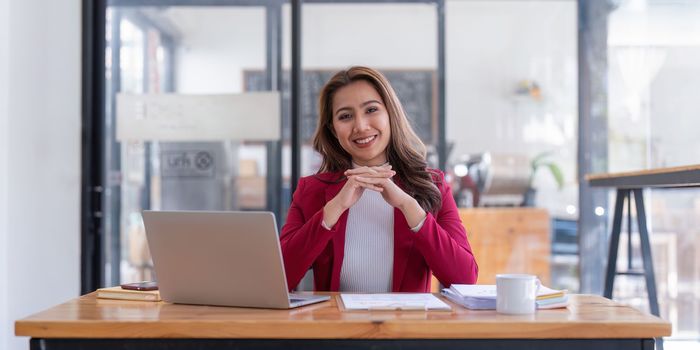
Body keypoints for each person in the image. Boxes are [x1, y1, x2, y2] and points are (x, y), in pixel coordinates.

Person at [280, 66, 478, 293]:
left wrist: (408, 206)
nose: (361, 126)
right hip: (334, 327)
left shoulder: (432, 186)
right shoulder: (311, 191)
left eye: (371, 110)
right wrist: (334, 209)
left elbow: (464, 279)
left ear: (390, 114)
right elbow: (281, 278)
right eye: (345, 116)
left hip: (406, 327)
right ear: (334, 130)